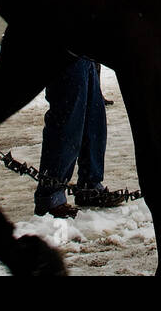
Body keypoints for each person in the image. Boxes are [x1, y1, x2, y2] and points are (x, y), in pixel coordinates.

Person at [33, 57, 127, 219]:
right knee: (68, 117)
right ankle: (51, 196)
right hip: (64, 48)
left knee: (93, 116)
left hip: (85, 50)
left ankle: (89, 186)